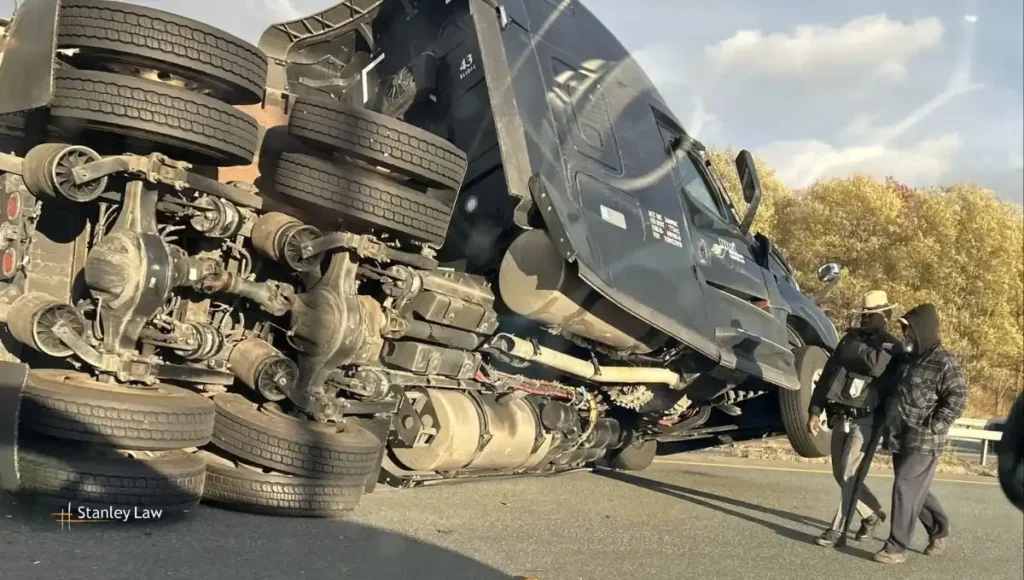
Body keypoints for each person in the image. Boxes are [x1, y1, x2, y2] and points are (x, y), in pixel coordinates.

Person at [874, 303, 968, 564]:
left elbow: (958, 399)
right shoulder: (905, 361)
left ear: (923, 331)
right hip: (899, 436)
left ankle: (896, 547)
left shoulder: (944, 362)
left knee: (905, 486)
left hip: (925, 441)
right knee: (915, 490)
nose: (907, 336)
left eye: (910, 331)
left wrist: (933, 426)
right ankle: (940, 530)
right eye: (905, 331)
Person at [807, 290, 902, 548]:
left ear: (886, 316)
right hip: (840, 416)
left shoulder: (892, 345)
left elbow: (875, 365)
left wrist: (852, 348)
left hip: (867, 420)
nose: (866, 320)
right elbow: (828, 375)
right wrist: (814, 410)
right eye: (865, 315)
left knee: (849, 473)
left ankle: (838, 531)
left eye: (873, 315)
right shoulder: (850, 339)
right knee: (841, 475)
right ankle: (871, 514)